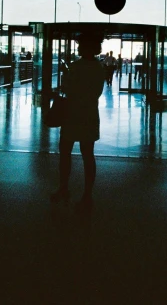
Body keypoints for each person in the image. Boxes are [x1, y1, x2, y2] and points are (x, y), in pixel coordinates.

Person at [51, 33, 105, 210]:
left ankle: (63, 187)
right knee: (88, 155)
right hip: (89, 115)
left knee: (65, 151)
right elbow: (96, 92)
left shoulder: (75, 66)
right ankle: (87, 194)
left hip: (72, 114)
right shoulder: (99, 67)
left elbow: (68, 88)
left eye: (81, 45)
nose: (79, 47)